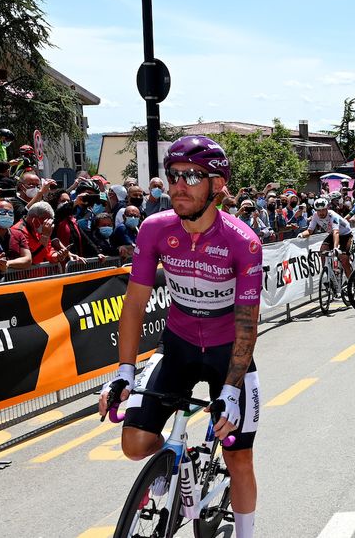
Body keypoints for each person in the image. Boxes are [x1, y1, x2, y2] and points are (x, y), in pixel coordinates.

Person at [96, 136, 263, 538]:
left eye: (192, 176)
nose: (178, 185)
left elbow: (246, 326)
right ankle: (178, 459)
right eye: (173, 175)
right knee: (135, 444)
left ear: (218, 185)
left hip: (227, 351)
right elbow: (134, 305)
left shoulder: (243, 242)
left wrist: (230, 389)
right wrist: (124, 371)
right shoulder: (155, 229)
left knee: (238, 458)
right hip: (178, 344)